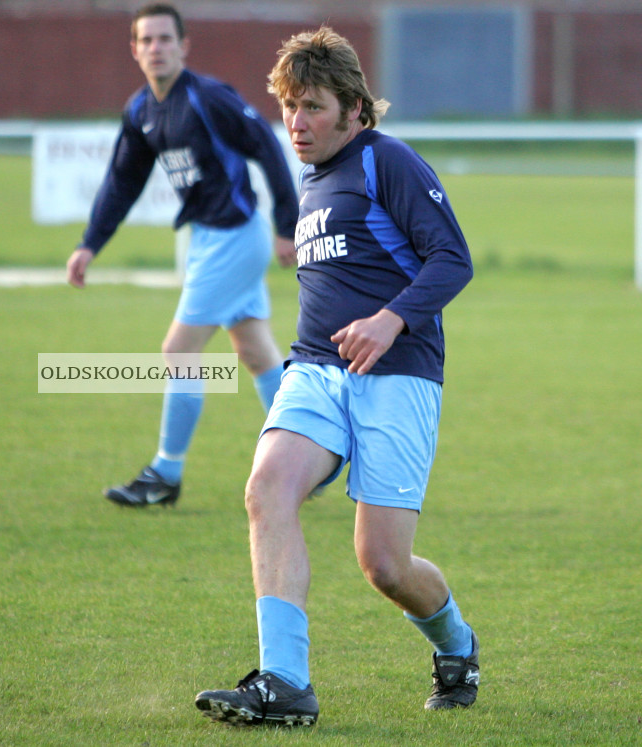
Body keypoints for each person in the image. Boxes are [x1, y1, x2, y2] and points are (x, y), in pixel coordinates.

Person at [194, 26, 478, 726]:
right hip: (317, 371)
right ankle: (285, 682)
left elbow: (453, 257)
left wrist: (391, 319)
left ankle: (457, 644)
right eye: (289, 105)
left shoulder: (389, 161)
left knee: (383, 563)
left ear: (355, 107)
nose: (296, 122)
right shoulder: (312, 178)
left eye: (313, 105)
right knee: (266, 488)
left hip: (399, 373)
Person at [66, 3, 299, 509]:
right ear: (134, 49)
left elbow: (267, 146)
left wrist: (287, 226)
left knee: (179, 350)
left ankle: (165, 475)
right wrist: (90, 243)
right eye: (146, 40)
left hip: (237, 236)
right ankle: (310, 453)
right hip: (208, 239)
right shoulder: (141, 111)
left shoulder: (208, 98)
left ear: (183, 45)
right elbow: (122, 182)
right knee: (256, 351)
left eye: (165, 39)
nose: (156, 48)